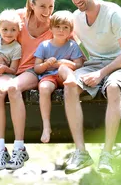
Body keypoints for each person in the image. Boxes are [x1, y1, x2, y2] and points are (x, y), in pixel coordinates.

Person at [62, 0, 121, 174]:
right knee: (69, 85)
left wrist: (101, 73)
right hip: (93, 65)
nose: (77, 0)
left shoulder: (113, 13)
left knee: (112, 87)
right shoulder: (75, 18)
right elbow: (64, 38)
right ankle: (81, 153)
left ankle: (107, 154)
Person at [0, 0, 55, 171]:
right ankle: (0, 150)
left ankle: (19, 148)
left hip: (33, 71)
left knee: (13, 88)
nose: (47, 11)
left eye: (51, 6)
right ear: (32, 5)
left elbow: (72, 46)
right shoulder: (17, 17)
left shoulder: (54, 23)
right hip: (11, 69)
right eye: (43, 6)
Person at [34, 10, 83, 143]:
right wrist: (46, 64)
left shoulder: (72, 45)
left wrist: (66, 63)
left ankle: (72, 81)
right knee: (43, 88)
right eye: (57, 27)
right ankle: (46, 125)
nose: (61, 30)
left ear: (70, 30)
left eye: (65, 27)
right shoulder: (44, 46)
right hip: (50, 77)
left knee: (63, 68)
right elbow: (37, 69)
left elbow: (79, 65)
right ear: (51, 28)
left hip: (66, 77)